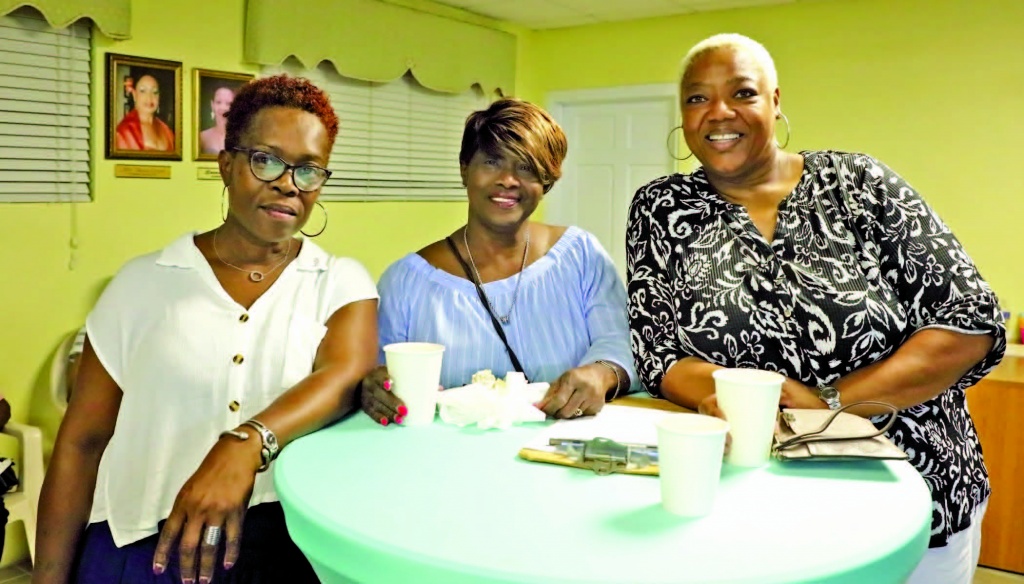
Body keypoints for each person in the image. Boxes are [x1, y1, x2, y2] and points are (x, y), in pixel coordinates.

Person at [626, 33, 1004, 584]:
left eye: (742, 92)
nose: (719, 113)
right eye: (696, 98)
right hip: (753, 509)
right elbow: (659, 354)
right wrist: (729, 393)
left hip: (913, 493)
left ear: (776, 102)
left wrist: (824, 407)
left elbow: (969, 323)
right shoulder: (660, 209)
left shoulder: (857, 184)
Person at [35, 74, 379, 584]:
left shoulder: (337, 281)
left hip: (277, 550)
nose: (288, 182)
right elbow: (81, 443)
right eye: (266, 160)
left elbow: (342, 375)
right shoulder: (144, 283)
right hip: (140, 548)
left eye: (308, 170)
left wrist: (244, 444)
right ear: (226, 164)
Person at [360, 97, 636, 425]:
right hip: (444, 463)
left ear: (546, 182)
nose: (508, 179)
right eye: (492, 162)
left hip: (561, 457)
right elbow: (380, 373)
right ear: (465, 168)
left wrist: (601, 373)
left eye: (526, 167)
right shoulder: (406, 281)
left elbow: (618, 342)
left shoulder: (581, 256)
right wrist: (373, 387)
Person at [114, 71, 175, 152]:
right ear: (134, 95)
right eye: (143, 91)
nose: (149, 97)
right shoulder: (125, 131)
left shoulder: (167, 130)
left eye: (154, 92)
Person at [201, 86, 237, 155]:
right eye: (218, 102)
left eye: (228, 103)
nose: (223, 108)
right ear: (212, 105)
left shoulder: (241, 137)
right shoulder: (203, 137)